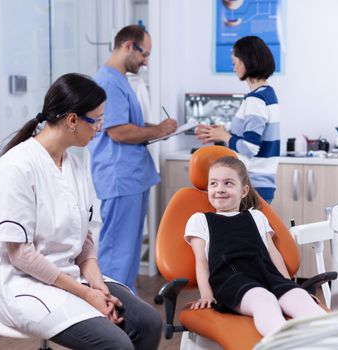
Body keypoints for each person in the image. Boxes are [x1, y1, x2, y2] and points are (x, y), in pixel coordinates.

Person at [0, 73, 162, 350]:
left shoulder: (75, 166)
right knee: (116, 343)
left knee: (148, 322)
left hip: (71, 275)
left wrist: (97, 284)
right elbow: (20, 255)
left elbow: (85, 237)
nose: (100, 128)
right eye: (97, 120)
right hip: (24, 285)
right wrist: (85, 294)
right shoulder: (16, 167)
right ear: (72, 120)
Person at [184, 156, 325, 336]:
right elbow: (202, 261)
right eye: (213, 184)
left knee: (300, 299)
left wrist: (290, 285)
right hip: (231, 279)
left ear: (244, 191)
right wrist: (206, 294)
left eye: (228, 183)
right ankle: (286, 344)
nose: (219, 189)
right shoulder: (200, 220)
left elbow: (273, 254)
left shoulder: (257, 216)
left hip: (267, 275)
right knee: (263, 300)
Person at [89, 25, 177, 290]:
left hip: (131, 178)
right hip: (120, 178)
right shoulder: (107, 82)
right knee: (117, 253)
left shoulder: (119, 80)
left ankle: (125, 310)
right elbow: (117, 131)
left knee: (127, 253)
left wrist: (156, 128)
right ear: (128, 45)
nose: (146, 61)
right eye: (144, 54)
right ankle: (110, 312)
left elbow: (128, 125)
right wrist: (159, 130)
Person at [195, 36, 280, 203]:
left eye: (235, 63)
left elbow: (250, 147)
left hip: (253, 185)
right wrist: (222, 133)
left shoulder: (256, 99)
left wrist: (224, 136)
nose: (234, 68)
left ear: (246, 62)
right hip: (261, 184)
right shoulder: (268, 94)